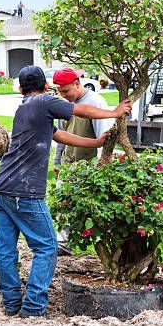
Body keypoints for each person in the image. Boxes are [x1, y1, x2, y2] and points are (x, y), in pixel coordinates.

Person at [0, 65, 132, 319]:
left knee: (6, 248)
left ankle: (12, 303)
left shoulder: (24, 107)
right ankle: (33, 308)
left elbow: (58, 135)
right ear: (46, 86)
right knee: (46, 246)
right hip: (25, 191)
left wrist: (95, 143)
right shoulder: (44, 101)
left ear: (22, 88)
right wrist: (115, 111)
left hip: (1, 188)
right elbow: (83, 109)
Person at [51, 68, 114, 255]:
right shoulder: (65, 105)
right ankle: (63, 244)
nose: (63, 95)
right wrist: (57, 163)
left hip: (89, 167)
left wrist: (101, 168)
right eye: (59, 92)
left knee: (90, 210)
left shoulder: (96, 103)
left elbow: (105, 141)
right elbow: (61, 136)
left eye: (66, 91)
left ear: (77, 83)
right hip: (68, 164)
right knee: (64, 205)